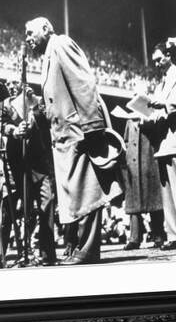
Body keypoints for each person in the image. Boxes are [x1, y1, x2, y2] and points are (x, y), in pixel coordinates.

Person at [25, 17, 123, 265]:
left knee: (88, 191)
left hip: (79, 132)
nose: (27, 38)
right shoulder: (48, 54)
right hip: (64, 136)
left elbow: (83, 83)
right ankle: (77, 247)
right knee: (76, 193)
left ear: (46, 29)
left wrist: (92, 127)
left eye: (30, 33)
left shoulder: (60, 44)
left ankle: (87, 250)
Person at [0, 81, 57, 265]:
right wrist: (14, 131)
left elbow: (48, 121)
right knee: (10, 210)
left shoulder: (38, 101)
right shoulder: (4, 105)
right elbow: (1, 125)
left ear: (24, 83)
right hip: (16, 164)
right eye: (8, 83)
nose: (12, 86)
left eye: (16, 82)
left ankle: (47, 255)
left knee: (47, 204)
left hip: (40, 164)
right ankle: (1, 255)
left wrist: (34, 107)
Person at [145, 41, 176, 250]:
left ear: (169, 55)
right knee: (167, 193)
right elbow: (158, 111)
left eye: (160, 59)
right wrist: (145, 117)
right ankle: (174, 235)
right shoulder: (160, 84)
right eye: (154, 62)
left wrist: (166, 104)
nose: (157, 64)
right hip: (163, 141)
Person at [119, 115, 165, 249]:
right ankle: (134, 238)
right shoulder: (129, 120)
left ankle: (158, 235)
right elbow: (126, 141)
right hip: (132, 164)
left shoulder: (152, 117)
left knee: (154, 200)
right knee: (133, 202)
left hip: (149, 162)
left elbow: (158, 135)